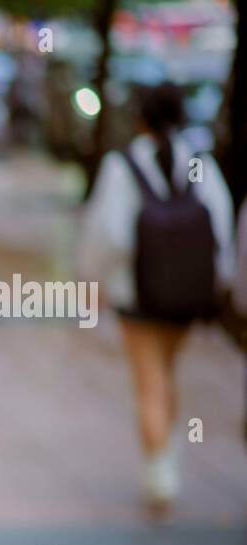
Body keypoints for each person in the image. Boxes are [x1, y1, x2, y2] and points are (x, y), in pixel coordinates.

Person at [77, 82, 236, 513]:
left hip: (138, 295)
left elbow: (107, 233)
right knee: (167, 373)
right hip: (187, 296)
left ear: (141, 118)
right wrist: (218, 283)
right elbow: (219, 227)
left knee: (150, 381)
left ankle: (159, 470)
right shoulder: (199, 163)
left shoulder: (123, 166)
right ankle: (168, 451)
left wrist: (91, 280)